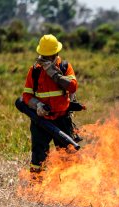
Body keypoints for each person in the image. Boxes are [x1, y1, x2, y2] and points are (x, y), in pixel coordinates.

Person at [20, 34, 78, 173]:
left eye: (49, 56)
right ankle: (35, 188)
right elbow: (26, 96)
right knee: (38, 157)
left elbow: (72, 87)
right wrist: (37, 105)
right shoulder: (34, 71)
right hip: (41, 121)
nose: (46, 60)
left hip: (62, 119)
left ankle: (69, 187)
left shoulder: (64, 67)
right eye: (44, 57)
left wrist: (54, 74)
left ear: (56, 54)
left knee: (67, 156)